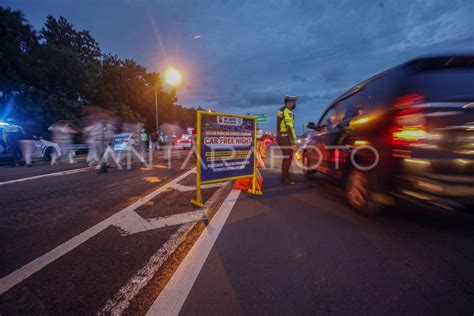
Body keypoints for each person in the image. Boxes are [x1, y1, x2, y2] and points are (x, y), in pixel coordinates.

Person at [276, 95, 298, 184]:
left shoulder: (281, 110)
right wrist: (293, 143)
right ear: (288, 103)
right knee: (288, 157)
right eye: (293, 102)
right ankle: (285, 178)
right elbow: (289, 127)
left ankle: (285, 176)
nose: (294, 104)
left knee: (287, 157)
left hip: (281, 136)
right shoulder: (287, 111)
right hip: (285, 136)